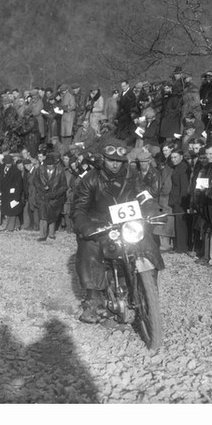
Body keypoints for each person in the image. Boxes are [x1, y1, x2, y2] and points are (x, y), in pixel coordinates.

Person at [71, 139, 164, 324]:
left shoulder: (133, 176)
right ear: (103, 159)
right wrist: (86, 226)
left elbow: (144, 195)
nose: (115, 164)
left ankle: (148, 292)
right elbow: (79, 208)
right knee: (89, 248)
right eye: (110, 160)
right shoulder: (91, 179)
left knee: (147, 243)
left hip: (128, 223)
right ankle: (93, 300)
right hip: (101, 225)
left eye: (119, 161)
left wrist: (152, 209)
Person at [32, 151, 68, 241]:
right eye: (48, 165)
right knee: (43, 217)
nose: (49, 166)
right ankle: (42, 235)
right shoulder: (40, 169)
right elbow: (35, 181)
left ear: (54, 164)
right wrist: (42, 187)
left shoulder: (60, 171)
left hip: (54, 198)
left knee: (52, 217)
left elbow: (64, 186)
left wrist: (56, 194)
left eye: (51, 165)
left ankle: (51, 234)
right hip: (42, 197)